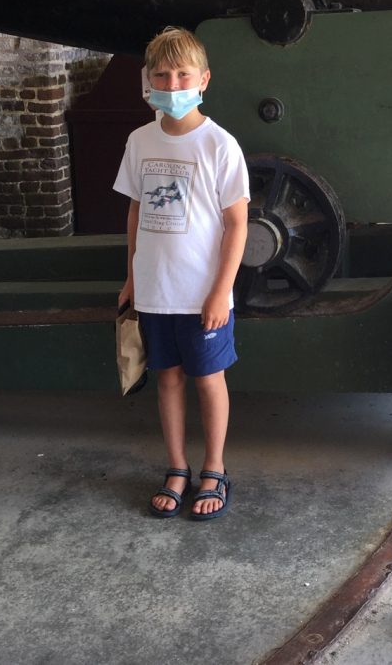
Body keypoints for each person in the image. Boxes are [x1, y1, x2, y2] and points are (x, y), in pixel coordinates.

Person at [113, 26, 249, 521]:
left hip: (201, 295)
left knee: (208, 379)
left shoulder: (219, 145)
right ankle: (176, 466)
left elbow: (238, 225)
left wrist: (221, 291)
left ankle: (214, 468)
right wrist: (131, 277)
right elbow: (135, 212)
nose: (172, 86)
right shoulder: (139, 141)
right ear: (147, 81)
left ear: (204, 79)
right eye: (162, 77)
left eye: (182, 75)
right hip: (155, 290)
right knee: (166, 378)